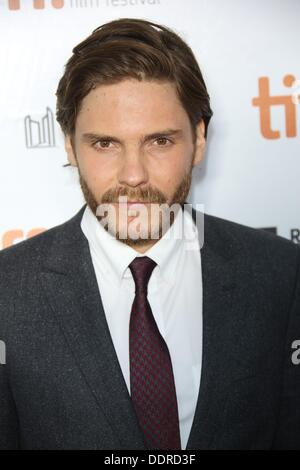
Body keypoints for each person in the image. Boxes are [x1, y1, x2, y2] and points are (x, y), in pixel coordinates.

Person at [0, 17, 300, 450]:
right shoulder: (8, 292)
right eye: (105, 143)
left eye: (159, 141)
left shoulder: (278, 272)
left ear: (198, 139)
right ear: (69, 144)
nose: (133, 175)